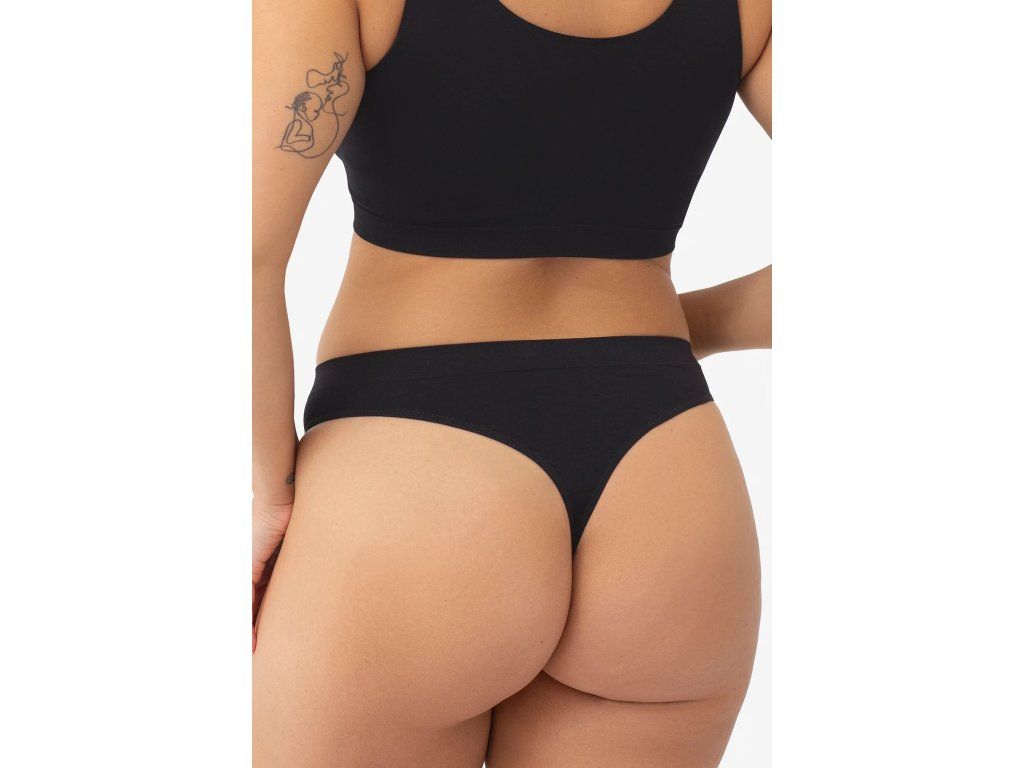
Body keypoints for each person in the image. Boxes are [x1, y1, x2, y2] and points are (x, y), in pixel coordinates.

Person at [253, 0, 772, 765]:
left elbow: (242, 257)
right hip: (668, 486)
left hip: (409, 482)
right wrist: (663, 338)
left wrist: (268, 497)